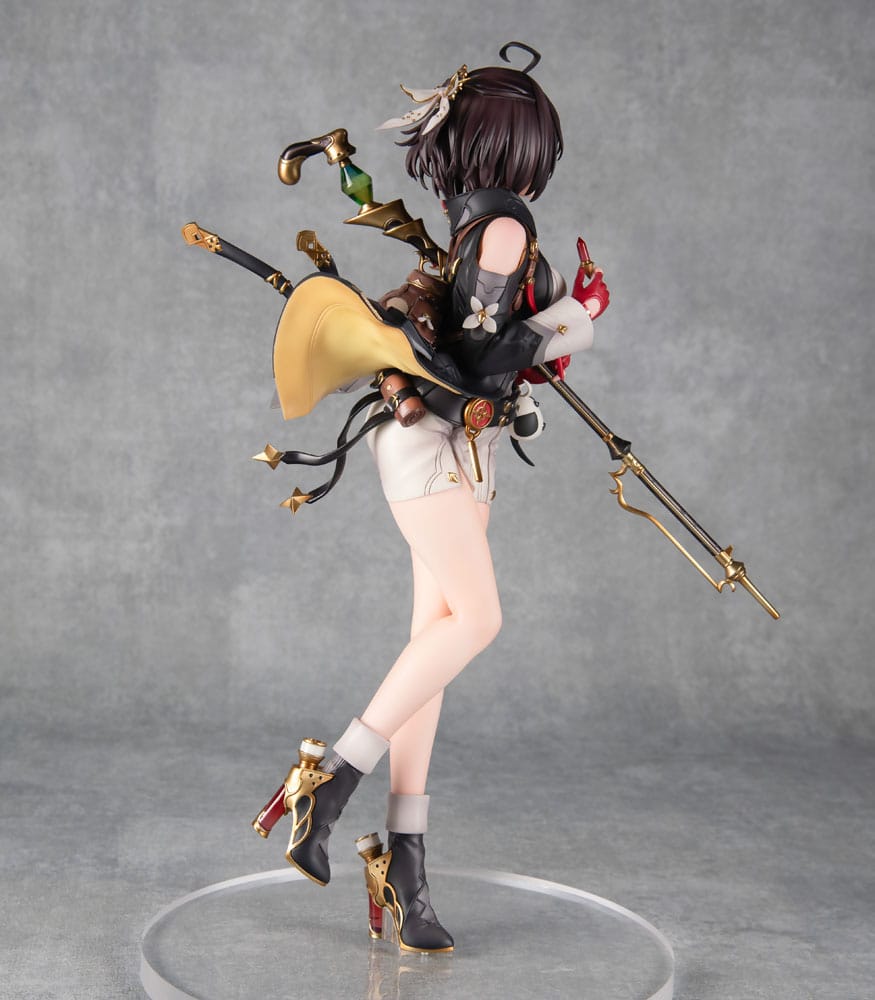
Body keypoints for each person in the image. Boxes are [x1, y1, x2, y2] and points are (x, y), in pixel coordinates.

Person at [253, 43, 610, 954]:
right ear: (520, 144)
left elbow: (473, 349)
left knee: (433, 644)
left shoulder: (468, 220)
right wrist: (575, 319)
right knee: (477, 619)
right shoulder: (505, 225)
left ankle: (404, 867)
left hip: (460, 443)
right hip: (433, 445)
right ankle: (329, 779)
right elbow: (488, 357)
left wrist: (541, 341)